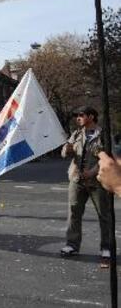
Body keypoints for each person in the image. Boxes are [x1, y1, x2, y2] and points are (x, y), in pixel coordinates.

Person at [59, 106, 112, 268]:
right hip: (77, 179)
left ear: (91, 116)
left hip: (97, 181)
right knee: (74, 211)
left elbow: (106, 157)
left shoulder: (102, 134)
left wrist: (93, 172)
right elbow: (64, 154)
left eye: (81, 115)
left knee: (104, 214)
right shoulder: (76, 134)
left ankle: (106, 247)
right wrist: (66, 149)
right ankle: (72, 245)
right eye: (77, 115)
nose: (78, 118)